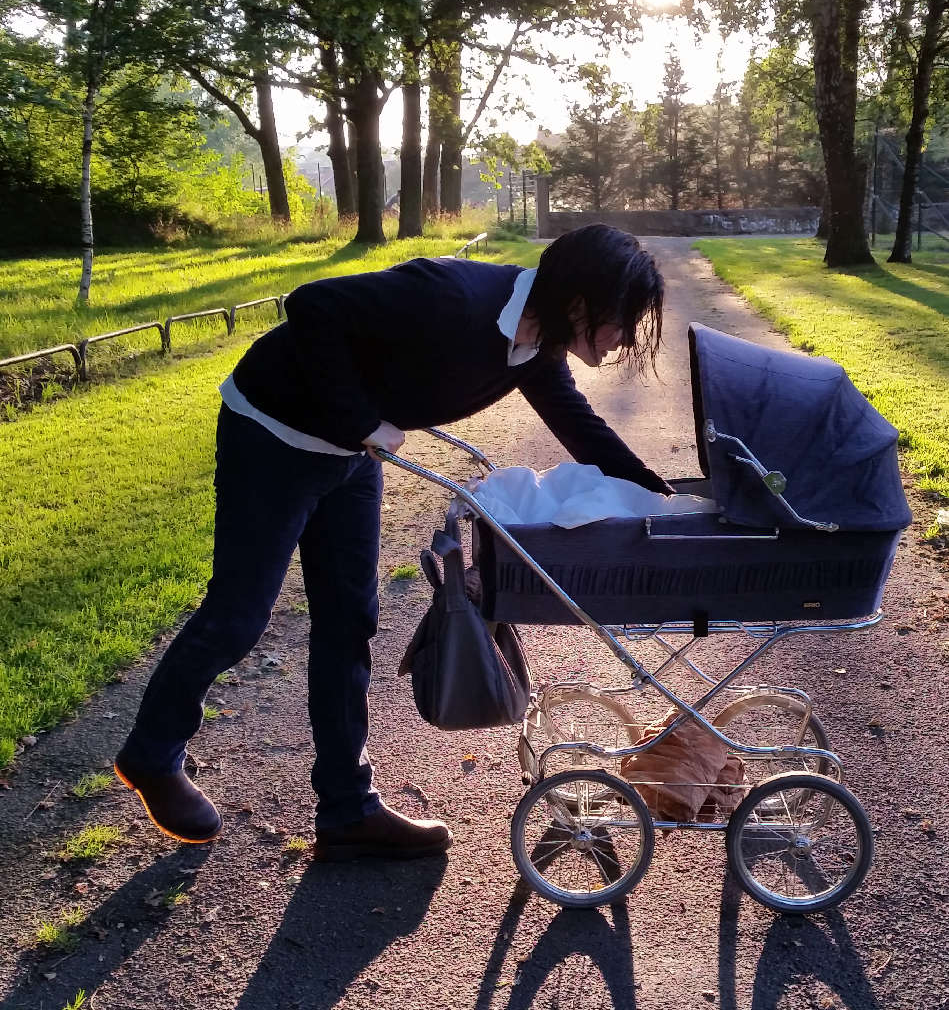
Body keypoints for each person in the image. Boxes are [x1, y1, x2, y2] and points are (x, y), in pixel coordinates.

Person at [114, 223, 670, 859]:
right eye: (622, 320)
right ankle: (152, 755)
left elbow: (582, 428)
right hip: (272, 432)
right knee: (239, 616)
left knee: (350, 621)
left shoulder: (536, 350)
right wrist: (359, 419)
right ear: (580, 301)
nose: (625, 338)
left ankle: (348, 812)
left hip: (350, 456)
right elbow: (312, 305)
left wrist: (661, 498)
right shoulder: (453, 297)